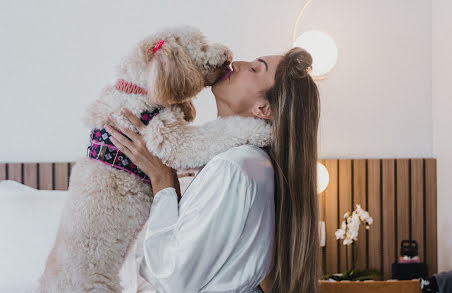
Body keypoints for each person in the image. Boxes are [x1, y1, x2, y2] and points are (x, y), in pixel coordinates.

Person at [105, 47, 321, 293]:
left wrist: (162, 180)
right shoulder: (250, 162)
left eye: (254, 68)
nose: (236, 63)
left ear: (263, 109)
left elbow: (172, 278)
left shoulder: (234, 167)